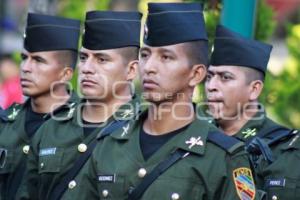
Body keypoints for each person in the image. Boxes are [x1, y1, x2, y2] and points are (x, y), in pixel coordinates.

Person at [74, 3, 256, 200]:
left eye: (166, 57)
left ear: (196, 74)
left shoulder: (223, 157)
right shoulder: (110, 141)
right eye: (145, 55)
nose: (149, 67)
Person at [19, 10, 142, 200]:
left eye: (102, 59)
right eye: (84, 58)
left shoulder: (144, 130)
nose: (87, 69)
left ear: (131, 70)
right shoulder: (51, 128)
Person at [205, 25, 299, 200]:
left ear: (254, 89)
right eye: (209, 77)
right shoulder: (195, 138)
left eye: (225, 77)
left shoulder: (286, 150)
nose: (211, 87)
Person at [0, 13, 80, 200]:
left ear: (65, 74)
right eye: (24, 58)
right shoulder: (6, 122)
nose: (26, 67)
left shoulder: (86, 128)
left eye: (38, 60)